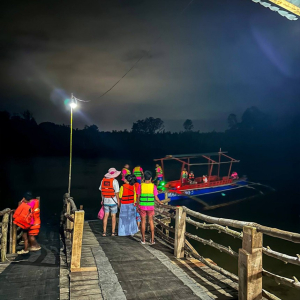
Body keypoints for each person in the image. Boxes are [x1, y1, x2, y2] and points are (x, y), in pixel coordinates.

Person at [136, 170, 161, 245]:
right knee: (151, 221)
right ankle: (152, 240)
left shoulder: (141, 185)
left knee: (143, 222)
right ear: (150, 178)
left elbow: (138, 197)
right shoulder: (153, 186)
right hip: (150, 207)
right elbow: (156, 198)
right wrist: (160, 202)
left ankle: (143, 239)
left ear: (144, 178)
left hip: (142, 206)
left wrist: (137, 205)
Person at [99, 168, 121, 236]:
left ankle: (104, 232)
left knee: (106, 216)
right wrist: (118, 201)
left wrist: (102, 200)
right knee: (113, 216)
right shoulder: (115, 181)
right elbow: (117, 193)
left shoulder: (103, 181)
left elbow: (102, 192)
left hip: (105, 200)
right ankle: (113, 232)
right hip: (113, 201)